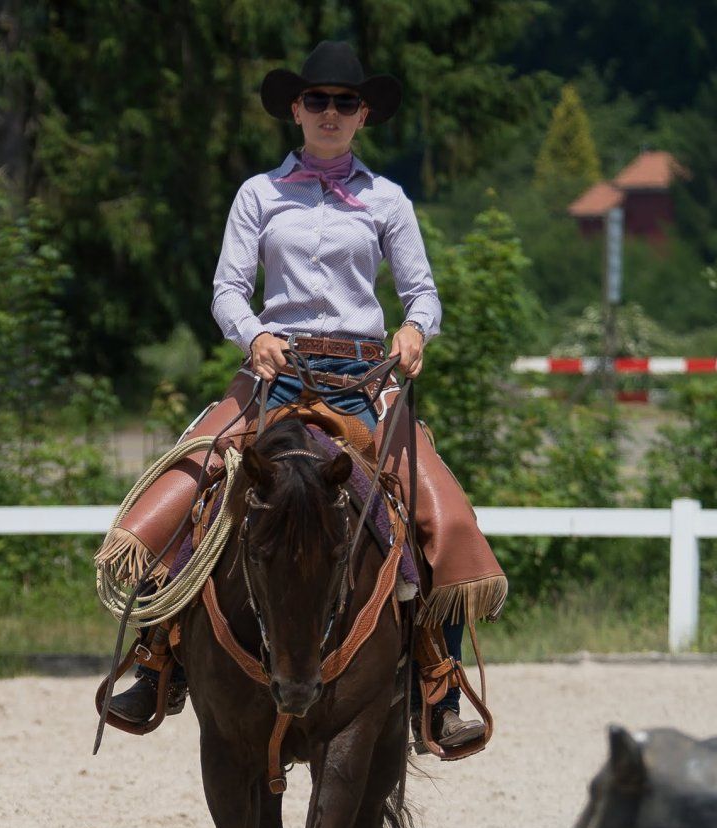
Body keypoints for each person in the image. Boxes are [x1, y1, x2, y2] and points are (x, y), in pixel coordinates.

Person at [105, 41, 506, 751]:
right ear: (296, 109)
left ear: (362, 116)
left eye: (343, 103)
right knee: (192, 483)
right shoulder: (259, 194)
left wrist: (416, 330)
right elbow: (229, 289)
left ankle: (436, 681)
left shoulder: (388, 200)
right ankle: (158, 652)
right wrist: (253, 334)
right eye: (316, 100)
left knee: (434, 508)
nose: (329, 112)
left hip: (361, 381)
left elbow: (422, 293)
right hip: (276, 374)